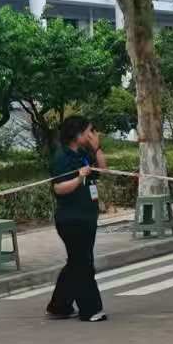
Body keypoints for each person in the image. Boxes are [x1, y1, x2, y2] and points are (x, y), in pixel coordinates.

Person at [46, 114, 108, 323]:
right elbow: (59, 188)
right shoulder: (62, 157)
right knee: (83, 263)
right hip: (71, 219)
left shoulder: (83, 153)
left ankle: (59, 306)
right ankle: (90, 310)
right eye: (89, 131)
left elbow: (103, 170)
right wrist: (79, 177)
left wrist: (97, 148)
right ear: (77, 134)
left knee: (76, 262)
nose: (92, 135)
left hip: (87, 217)